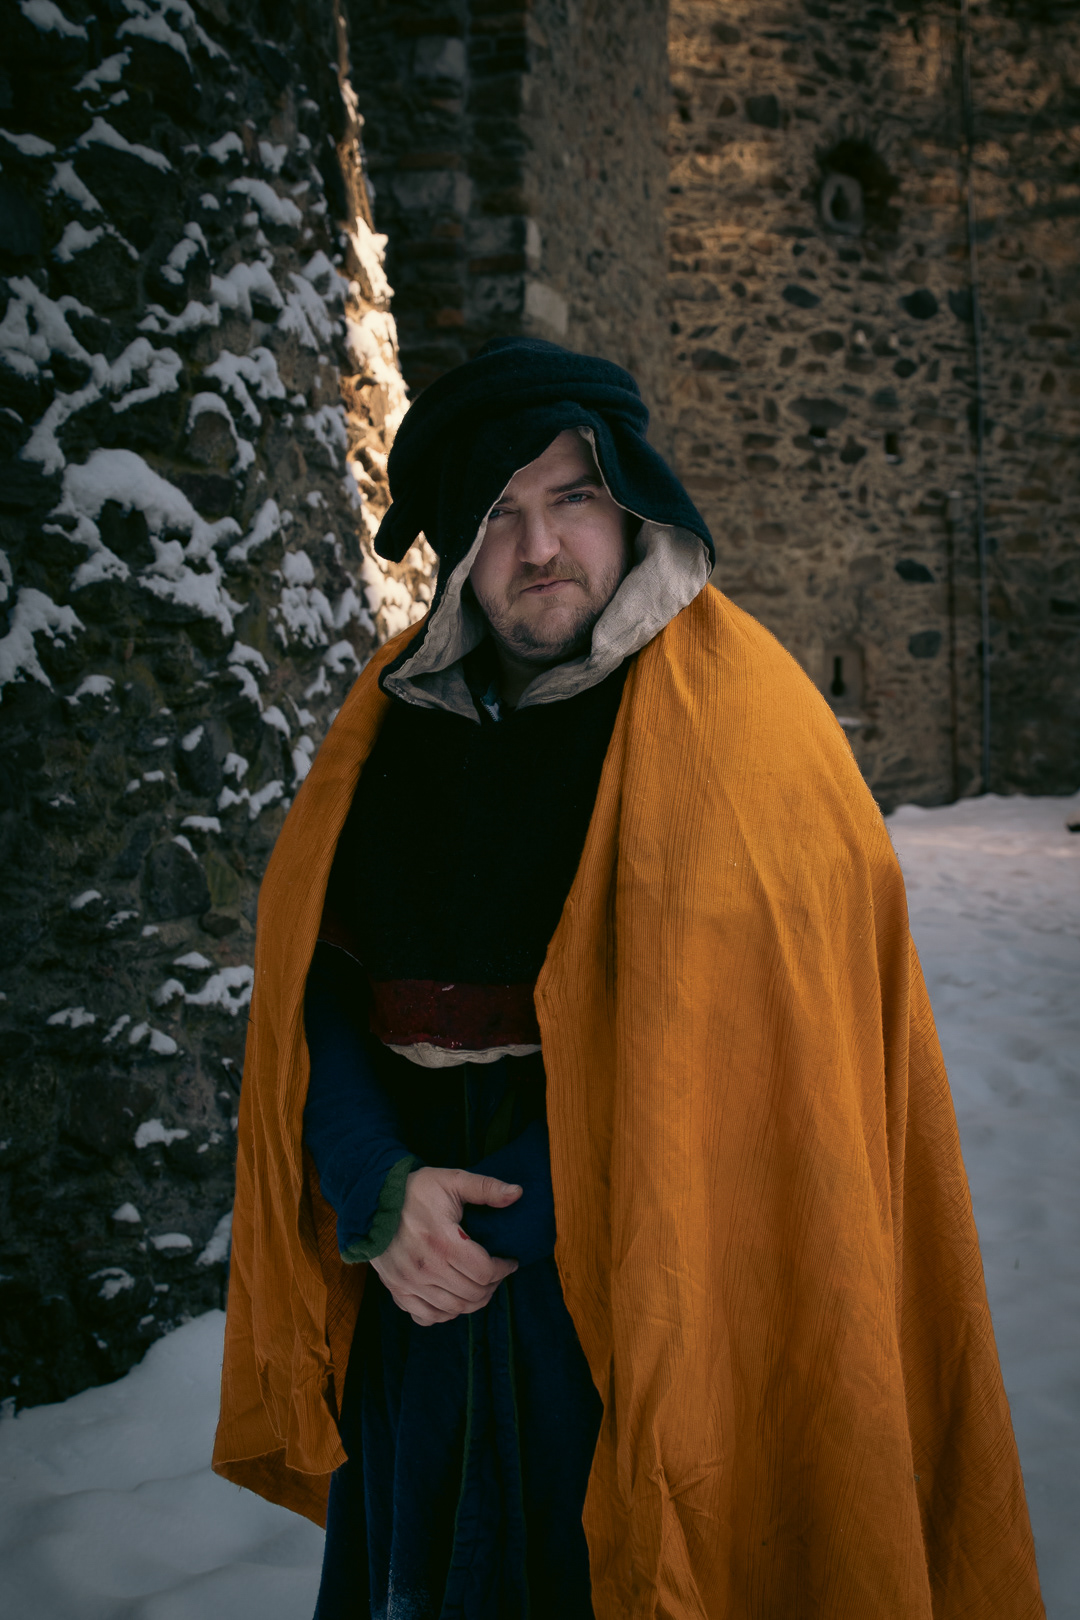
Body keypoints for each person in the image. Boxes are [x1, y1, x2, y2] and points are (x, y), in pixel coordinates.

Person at [213, 337, 1044, 1620]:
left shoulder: (746, 718)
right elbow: (315, 992)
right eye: (498, 512)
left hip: (661, 1278)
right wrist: (376, 1184)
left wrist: (495, 1222)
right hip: (416, 1297)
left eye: (573, 498)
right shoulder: (389, 722)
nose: (540, 547)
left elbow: (756, 1057)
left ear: (633, 502)